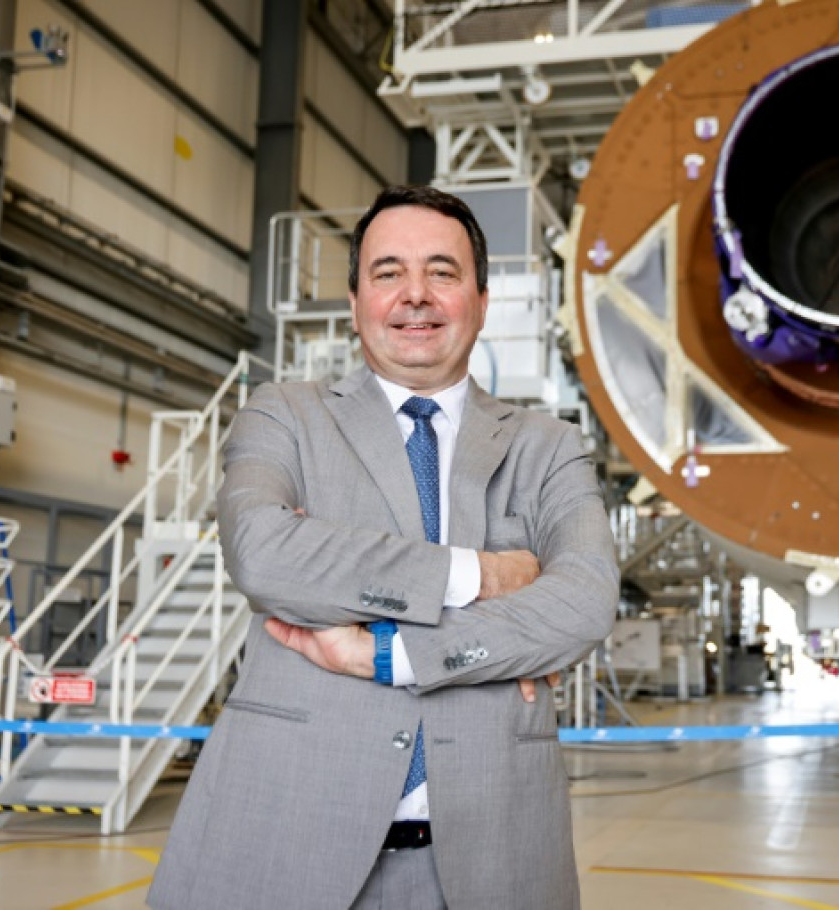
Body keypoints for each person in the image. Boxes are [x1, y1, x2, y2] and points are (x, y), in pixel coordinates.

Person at [148, 185, 619, 910]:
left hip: (493, 857)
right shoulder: (286, 416)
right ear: (355, 298)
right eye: (388, 272)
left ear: (482, 300)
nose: (416, 296)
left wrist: (387, 654)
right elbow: (266, 554)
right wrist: (483, 576)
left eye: (443, 271)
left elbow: (585, 601)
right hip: (283, 842)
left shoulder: (546, 446)